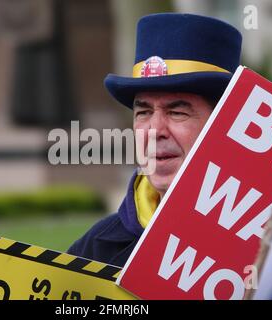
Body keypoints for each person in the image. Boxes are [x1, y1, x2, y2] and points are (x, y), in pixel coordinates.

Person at [67, 13, 242, 267]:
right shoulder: (95, 250)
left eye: (177, 112)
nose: (154, 130)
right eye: (144, 112)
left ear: (224, 125)